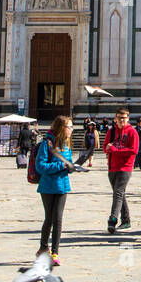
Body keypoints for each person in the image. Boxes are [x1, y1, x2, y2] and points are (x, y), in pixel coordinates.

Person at [35, 116, 84, 270]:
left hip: (62, 186)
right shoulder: (46, 144)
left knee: (58, 219)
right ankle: (43, 248)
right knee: (49, 218)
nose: (71, 129)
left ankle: (55, 253)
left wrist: (72, 167)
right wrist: (61, 165)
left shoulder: (66, 145)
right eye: (69, 126)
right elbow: (40, 166)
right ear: (62, 128)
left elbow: (67, 164)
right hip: (48, 186)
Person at [102, 108, 140, 234]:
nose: (121, 120)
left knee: (118, 193)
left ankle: (112, 220)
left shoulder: (132, 132)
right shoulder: (112, 132)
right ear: (115, 119)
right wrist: (109, 149)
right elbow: (105, 147)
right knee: (120, 193)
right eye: (119, 117)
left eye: (124, 117)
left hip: (125, 167)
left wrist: (115, 150)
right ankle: (126, 220)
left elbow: (133, 150)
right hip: (112, 167)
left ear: (128, 118)